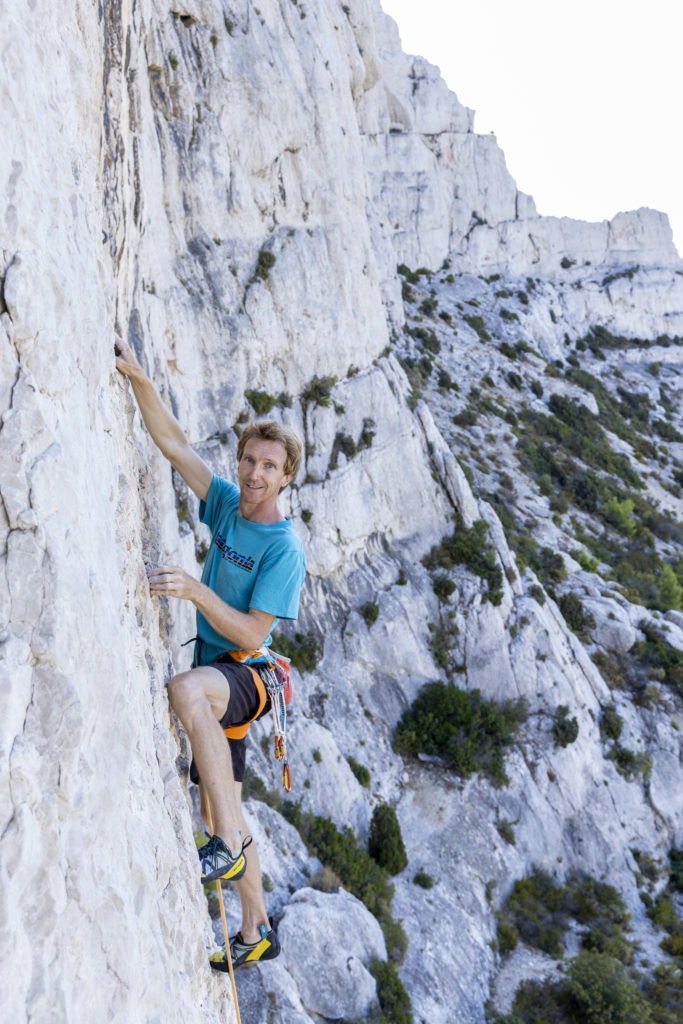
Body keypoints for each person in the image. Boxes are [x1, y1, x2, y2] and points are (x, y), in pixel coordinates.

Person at [114, 338, 306, 969]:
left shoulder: (283, 548)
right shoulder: (225, 503)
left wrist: (196, 591)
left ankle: (223, 843)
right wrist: (140, 379)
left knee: (185, 690)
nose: (254, 473)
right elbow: (173, 445)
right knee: (219, 799)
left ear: (286, 477)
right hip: (223, 670)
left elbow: (252, 634)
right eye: (249, 459)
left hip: (248, 673)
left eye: (269, 466)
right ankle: (256, 927)